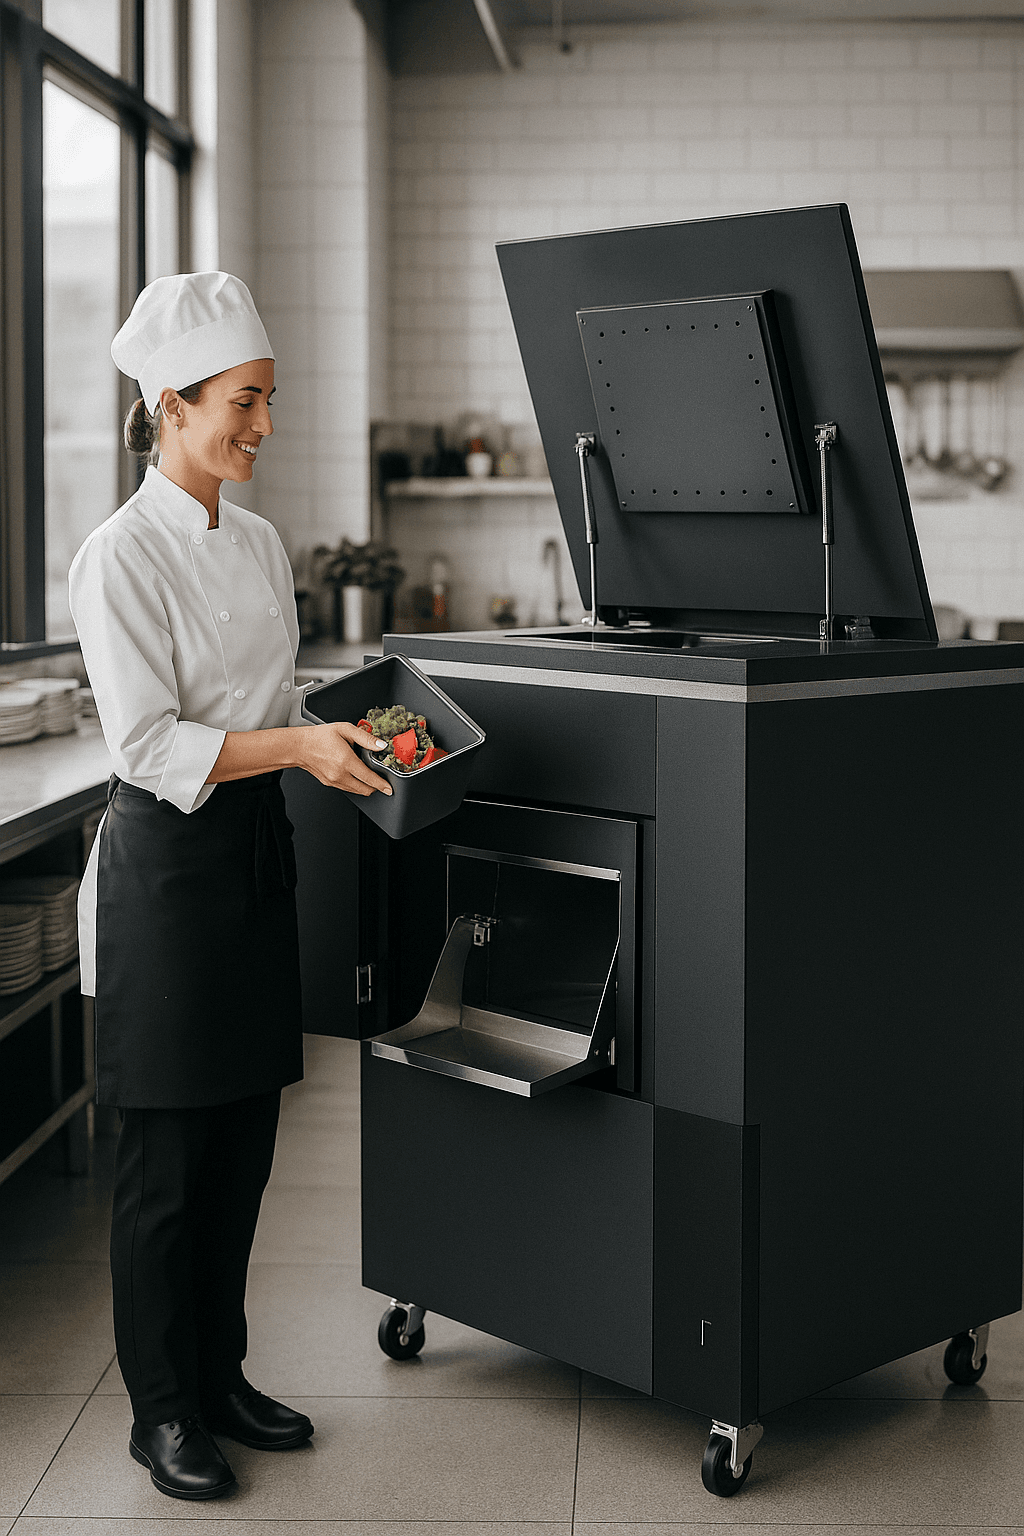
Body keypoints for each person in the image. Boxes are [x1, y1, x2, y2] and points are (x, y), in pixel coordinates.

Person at [70, 272, 392, 1502]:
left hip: (254, 855)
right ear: (173, 406)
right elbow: (149, 743)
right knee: (166, 1163)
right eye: (243, 403)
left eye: (268, 400)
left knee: (244, 1142)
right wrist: (299, 745)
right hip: (166, 871)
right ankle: (162, 1410)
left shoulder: (256, 542)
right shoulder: (117, 557)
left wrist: (352, 720)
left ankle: (221, 1376)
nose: (263, 425)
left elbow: (268, 699)